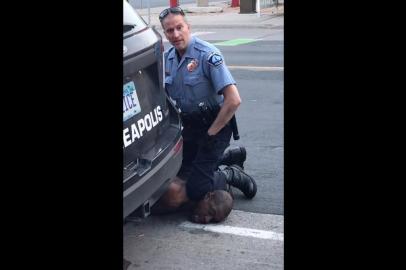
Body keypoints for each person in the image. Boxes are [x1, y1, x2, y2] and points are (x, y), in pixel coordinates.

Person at [155, 6, 257, 223]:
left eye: (179, 28)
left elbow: (233, 100)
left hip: (215, 127)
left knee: (195, 188)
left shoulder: (208, 55)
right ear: (164, 33)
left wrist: (211, 134)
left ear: (188, 27)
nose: (175, 35)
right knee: (178, 173)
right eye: (169, 30)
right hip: (189, 128)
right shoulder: (168, 59)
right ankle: (227, 156)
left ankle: (230, 173)